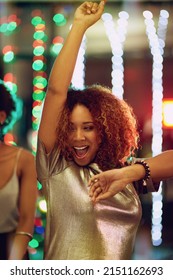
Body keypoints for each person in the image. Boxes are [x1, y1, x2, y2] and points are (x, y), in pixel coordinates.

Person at [36, 1, 172, 260]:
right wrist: (79, 27)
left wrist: (130, 172)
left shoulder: (122, 174)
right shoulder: (56, 166)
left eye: (88, 128)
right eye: (71, 128)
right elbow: (55, 92)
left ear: (105, 131)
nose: (77, 137)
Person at [0, 82, 38, 260]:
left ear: (2, 117)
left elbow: (26, 220)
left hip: (11, 251)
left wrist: (11, 266)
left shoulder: (23, 160)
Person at [89, 150, 173, 203]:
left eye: (88, 128)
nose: (79, 137)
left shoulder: (121, 167)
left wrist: (127, 174)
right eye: (74, 129)